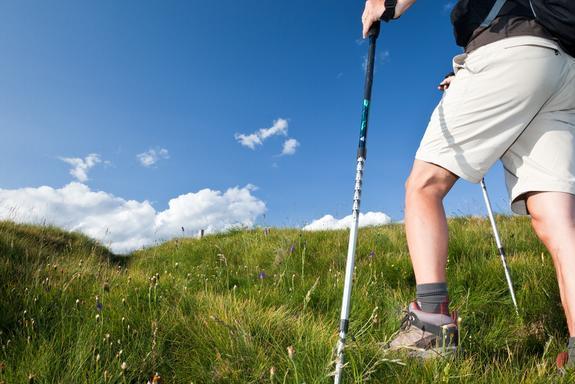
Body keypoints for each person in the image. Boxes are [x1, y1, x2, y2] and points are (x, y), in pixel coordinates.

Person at [362, 0, 575, 365]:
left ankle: (430, 333)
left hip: (510, 51)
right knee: (558, 222)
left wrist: (388, 3)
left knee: (423, 186)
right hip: (563, 70)